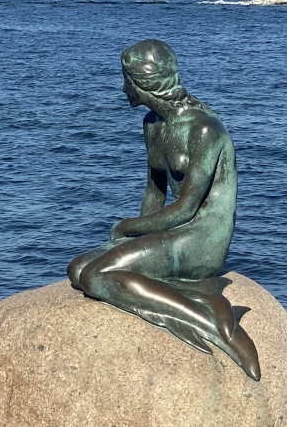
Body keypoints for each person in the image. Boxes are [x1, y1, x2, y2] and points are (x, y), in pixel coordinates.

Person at [67, 39, 260, 381]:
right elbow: (154, 191)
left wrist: (128, 228)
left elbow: (186, 208)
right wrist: (135, 232)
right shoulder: (152, 124)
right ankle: (189, 294)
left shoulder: (204, 129)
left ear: (142, 81)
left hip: (202, 238)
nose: (123, 88)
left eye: (125, 79)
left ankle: (216, 323)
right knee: (78, 268)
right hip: (174, 232)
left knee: (97, 276)